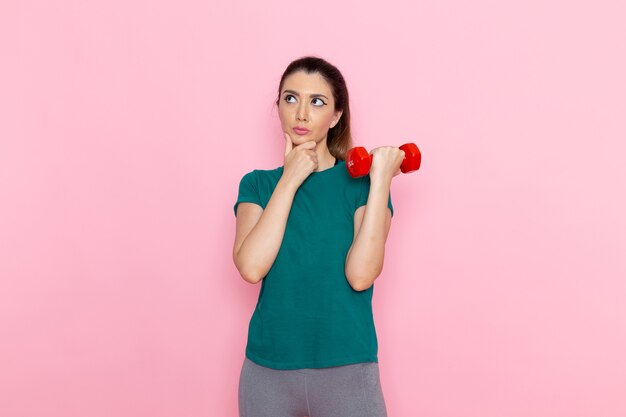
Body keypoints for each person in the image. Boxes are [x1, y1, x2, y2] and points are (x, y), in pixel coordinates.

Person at [232, 56, 405, 417]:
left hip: (348, 368)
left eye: (317, 102)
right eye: (291, 98)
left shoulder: (362, 187)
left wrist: (381, 181)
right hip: (268, 372)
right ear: (277, 105)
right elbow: (251, 267)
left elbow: (361, 275)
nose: (301, 114)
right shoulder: (258, 184)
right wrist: (290, 179)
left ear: (337, 115)